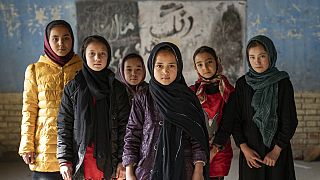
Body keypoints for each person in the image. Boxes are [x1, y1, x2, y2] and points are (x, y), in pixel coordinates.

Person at [122, 42, 210, 180]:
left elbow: (197, 139)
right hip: (147, 171)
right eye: (160, 66)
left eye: (171, 66)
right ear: (151, 66)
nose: (165, 71)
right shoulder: (143, 97)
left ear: (179, 67)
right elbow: (132, 134)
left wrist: (198, 171)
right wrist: (129, 172)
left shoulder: (187, 98)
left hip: (183, 171)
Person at [57, 35, 130, 180]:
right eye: (92, 54)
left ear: (108, 56)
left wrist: (123, 160)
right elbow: (64, 125)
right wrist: (64, 160)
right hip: (83, 160)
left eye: (102, 53)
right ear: (84, 55)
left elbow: (126, 127)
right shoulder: (73, 88)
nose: (97, 58)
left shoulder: (117, 89)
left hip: (111, 159)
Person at [18, 20, 82, 180]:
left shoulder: (82, 67)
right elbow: (29, 110)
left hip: (77, 143)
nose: (61, 43)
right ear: (47, 40)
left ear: (72, 39)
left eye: (66, 38)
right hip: (45, 147)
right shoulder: (35, 70)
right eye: (55, 38)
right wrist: (27, 145)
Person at [232, 35, 298, 180]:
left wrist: (276, 150)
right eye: (252, 57)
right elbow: (235, 120)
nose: (257, 61)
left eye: (262, 56)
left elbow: (290, 121)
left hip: (277, 153)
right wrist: (244, 149)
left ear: (271, 55)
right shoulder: (242, 84)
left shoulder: (283, 83)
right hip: (251, 154)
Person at [190, 46, 234, 180]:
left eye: (209, 62)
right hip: (196, 151)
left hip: (220, 150)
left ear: (217, 61)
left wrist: (214, 150)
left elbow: (229, 123)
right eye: (200, 64)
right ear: (195, 68)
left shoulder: (228, 91)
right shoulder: (192, 92)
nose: (205, 67)